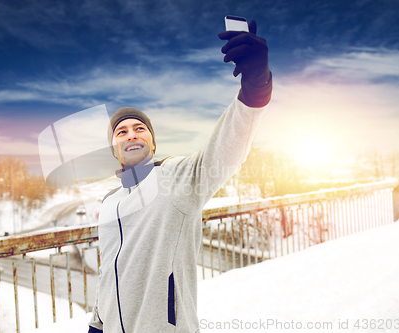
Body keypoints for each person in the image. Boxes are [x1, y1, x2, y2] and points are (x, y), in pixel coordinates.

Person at [88, 19, 272, 333]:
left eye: (139, 128)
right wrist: (97, 323)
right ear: (114, 147)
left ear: (152, 142)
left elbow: (226, 149)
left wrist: (255, 85)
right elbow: (110, 272)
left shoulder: (176, 178)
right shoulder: (109, 203)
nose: (131, 134)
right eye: (121, 131)